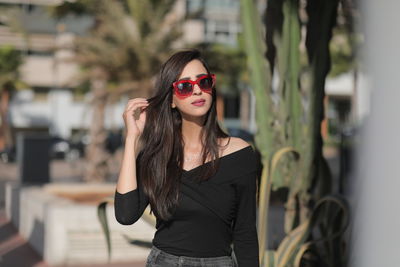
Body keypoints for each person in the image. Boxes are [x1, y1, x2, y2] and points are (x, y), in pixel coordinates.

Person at [114, 49, 259, 267]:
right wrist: (132, 139)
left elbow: (245, 232)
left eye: (204, 82)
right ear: (171, 100)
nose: (198, 91)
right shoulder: (157, 155)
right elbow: (126, 214)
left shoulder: (239, 154)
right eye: (185, 87)